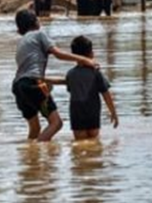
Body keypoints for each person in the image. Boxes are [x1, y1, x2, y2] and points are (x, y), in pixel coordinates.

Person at [12, 9, 98, 142]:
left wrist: (58, 82)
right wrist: (84, 59)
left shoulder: (22, 42)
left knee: (34, 129)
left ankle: (29, 156)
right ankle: (35, 149)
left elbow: (29, 74)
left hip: (18, 86)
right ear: (36, 22)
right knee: (56, 123)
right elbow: (58, 54)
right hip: (32, 83)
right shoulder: (39, 34)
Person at [62, 35, 119, 140]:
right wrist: (113, 113)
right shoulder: (95, 73)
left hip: (76, 111)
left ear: (73, 56)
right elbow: (106, 94)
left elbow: (71, 90)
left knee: (79, 142)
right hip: (92, 110)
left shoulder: (70, 74)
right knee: (94, 141)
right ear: (91, 54)